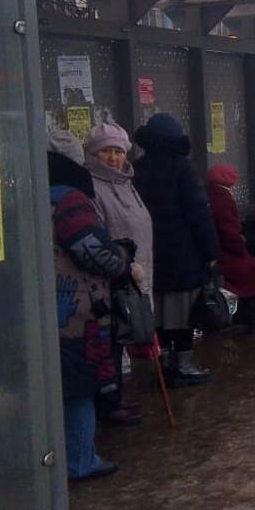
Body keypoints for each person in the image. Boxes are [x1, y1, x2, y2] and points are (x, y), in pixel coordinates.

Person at [48, 130, 135, 481]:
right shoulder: (69, 199)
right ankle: (81, 459)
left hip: (48, 309)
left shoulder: (28, 193)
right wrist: (123, 260)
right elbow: (94, 251)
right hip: (74, 311)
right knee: (79, 389)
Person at [132, 113, 219, 387]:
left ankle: (164, 363)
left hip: (151, 255)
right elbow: (199, 214)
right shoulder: (183, 169)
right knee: (183, 313)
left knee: (159, 313)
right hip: (183, 254)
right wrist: (211, 250)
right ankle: (182, 363)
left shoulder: (138, 168)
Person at [84, 122, 152, 426]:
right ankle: (108, 403)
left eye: (118, 152)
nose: (113, 158)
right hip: (113, 279)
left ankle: (116, 397)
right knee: (109, 341)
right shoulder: (92, 187)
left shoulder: (125, 182)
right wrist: (123, 264)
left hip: (134, 275)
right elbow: (99, 235)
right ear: (92, 154)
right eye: (106, 152)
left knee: (120, 339)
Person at [206, 165, 255, 333]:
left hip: (219, 249)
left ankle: (244, 316)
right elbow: (229, 230)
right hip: (227, 251)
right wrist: (241, 245)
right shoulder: (222, 198)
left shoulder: (212, 194)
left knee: (251, 276)